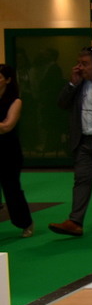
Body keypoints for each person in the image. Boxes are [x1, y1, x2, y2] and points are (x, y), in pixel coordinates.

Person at [48, 48, 92, 237]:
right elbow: (62, 103)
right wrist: (72, 83)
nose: (79, 67)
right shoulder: (78, 84)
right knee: (81, 180)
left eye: (85, 64)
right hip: (83, 140)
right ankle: (75, 222)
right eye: (78, 63)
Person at [0, 63, 35, 238]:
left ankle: (25, 223)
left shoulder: (15, 101)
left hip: (8, 151)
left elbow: (7, 126)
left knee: (11, 188)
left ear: (8, 80)